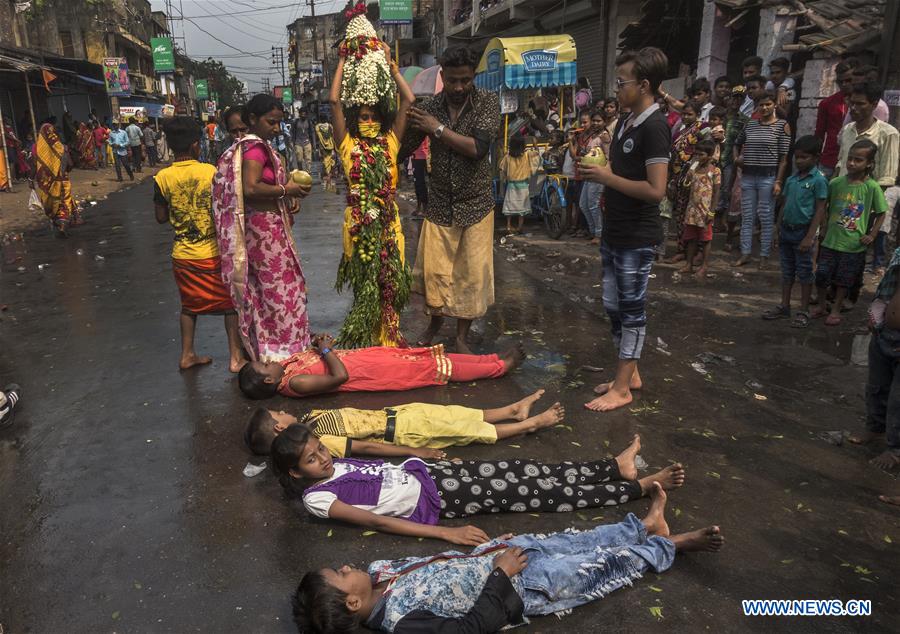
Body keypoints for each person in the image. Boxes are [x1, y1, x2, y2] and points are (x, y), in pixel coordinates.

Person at [291, 486, 722, 634]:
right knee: (600, 567)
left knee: (580, 541)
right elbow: (469, 627)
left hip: (502, 556)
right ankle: (674, 545)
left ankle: (647, 526)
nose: (347, 566)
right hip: (520, 585)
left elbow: (442, 564)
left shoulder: (382, 575)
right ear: (351, 602)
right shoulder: (401, 624)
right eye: (341, 574)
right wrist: (500, 576)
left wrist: (490, 550)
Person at [272, 423, 686, 542]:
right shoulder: (319, 498)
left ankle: (613, 466)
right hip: (440, 500)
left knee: (527, 471)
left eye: (320, 448)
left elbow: (372, 458)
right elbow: (378, 522)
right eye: (312, 458)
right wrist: (445, 533)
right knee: (537, 494)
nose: (324, 457)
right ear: (295, 473)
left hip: (433, 475)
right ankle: (637, 487)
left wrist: (423, 456)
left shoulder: (330, 464)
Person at [577, 47, 671, 412]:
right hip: (615, 230)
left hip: (637, 234)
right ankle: (629, 374)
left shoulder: (655, 126)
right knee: (613, 305)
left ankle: (622, 387)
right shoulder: (628, 122)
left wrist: (606, 177)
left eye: (622, 82)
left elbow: (655, 190)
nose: (617, 89)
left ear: (644, 84)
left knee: (632, 309)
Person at [401, 46, 500, 354]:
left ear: (473, 78)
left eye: (466, 80)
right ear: (443, 76)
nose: (459, 87)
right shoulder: (429, 106)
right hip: (440, 202)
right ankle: (433, 324)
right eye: (454, 80)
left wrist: (437, 129)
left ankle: (460, 336)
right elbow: (403, 148)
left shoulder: (487, 102)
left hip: (476, 203)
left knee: (469, 275)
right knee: (434, 272)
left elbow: (477, 148)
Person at [212, 93, 312, 361]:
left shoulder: (256, 146)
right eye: (271, 122)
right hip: (263, 232)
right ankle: (281, 352)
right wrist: (285, 189)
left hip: (267, 229)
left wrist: (285, 195)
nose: (276, 128)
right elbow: (251, 187)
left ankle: (278, 347)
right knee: (278, 291)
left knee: (274, 289)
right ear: (253, 119)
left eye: (279, 123)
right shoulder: (254, 148)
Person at [330, 40, 416, 348]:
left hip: (389, 224)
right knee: (367, 285)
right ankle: (369, 341)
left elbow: (409, 100)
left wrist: (392, 66)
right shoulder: (348, 146)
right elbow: (334, 102)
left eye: (373, 117)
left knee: (390, 282)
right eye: (363, 117)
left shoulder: (390, 143)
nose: (369, 122)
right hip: (358, 223)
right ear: (356, 120)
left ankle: (390, 338)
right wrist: (342, 61)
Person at [153, 116, 245, 373]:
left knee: (189, 306)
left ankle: (187, 354)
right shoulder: (211, 172)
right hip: (213, 252)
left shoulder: (162, 177)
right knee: (230, 305)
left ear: (171, 146)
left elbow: (161, 218)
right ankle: (236, 358)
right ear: (196, 144)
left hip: (183, 254)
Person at [244, 388, 563, 456]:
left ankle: (512, 409)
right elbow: (366, 447)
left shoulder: (310, 420)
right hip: (405, 431)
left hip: (401, 414)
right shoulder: (316, 440)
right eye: (277, 414)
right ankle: (529, 425)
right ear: (279, 428)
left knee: (456, 415)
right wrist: (419, 452)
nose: (282, 411)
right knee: (464, 431)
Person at [238, 333, 524, 400]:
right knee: (437, 368)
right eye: (264, 367)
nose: (269, 362)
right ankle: (498, 367)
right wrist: (325, 349)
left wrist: (318, 343)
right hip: (370, 373)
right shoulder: (294, 384)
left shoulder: (287, 369)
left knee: (427, 357)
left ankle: (490, 359)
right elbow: (340, 377)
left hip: (371, 361)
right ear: (267, 382)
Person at [812, 139, 888, 326]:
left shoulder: (871, 187)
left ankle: (836, 309)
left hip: (853, 246)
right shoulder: (836, 183)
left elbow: (881, 213)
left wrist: (872, 234)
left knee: (843, 280)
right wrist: (823, 227)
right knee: (822, 275)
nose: (852, 163)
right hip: (830, 241)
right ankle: (822, 306)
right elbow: (823, 207)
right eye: (850, 159)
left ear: (869, 163)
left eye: (858, 160)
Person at [762, 135, 829, 327]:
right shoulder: (791, 180)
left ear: (816, 157)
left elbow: (820, 209)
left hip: (803, 233)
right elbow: (784, 206)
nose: (799, 161)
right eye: (797, 157)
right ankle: (784, 306)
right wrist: (777, 229)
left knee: (805, 273)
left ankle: (803, 310)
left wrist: (809, 236)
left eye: (804, 157)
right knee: (787, 271)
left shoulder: (819, 181)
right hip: (786, 231)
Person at [733, 91, 791, 269]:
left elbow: (783, 159)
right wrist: (736, 159)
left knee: (765, 217)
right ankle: (746, 254)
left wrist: (778, 182)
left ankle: (764, 255)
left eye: (768, 104)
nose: (764, 108)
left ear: (774, 105)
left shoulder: (783, 126)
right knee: (747, 217)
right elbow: (736, 142)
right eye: (761, 105)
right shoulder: (750, 125)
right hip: (748, 176)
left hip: (768, 177)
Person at [664, 101, 709, 262]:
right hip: (679, 178)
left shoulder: (703, 128)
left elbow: (707, 149)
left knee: (697, 215)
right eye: (683, 114)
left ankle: (699, 251)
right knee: (681, 216)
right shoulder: (678, 132)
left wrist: (694, 168)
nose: (685, 117)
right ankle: (681, 249)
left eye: (689, 114)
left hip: (697, 178)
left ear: (697, 114)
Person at [835, 82, 899, 188]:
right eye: (852, 103)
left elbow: (887, 179)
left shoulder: (888, 134)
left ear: (874, 104)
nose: (853, 108)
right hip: (842, 195)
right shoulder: (847, 129)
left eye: (860, 104)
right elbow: (841, 164)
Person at [679, 139, 720, 277]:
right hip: (692, 209)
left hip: (705, 211)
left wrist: (712, 211)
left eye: (701, 154)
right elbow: (687, 187)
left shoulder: (715, 171)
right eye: (696, 154)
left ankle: (704, 266)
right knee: (691, 238)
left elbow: (716, 193)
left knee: (705, 239)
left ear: (709, 155)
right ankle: (689, 264)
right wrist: (688, 178)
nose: (698, 157)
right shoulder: (694, 169)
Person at [32, 123, 78, 236]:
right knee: (64, 202)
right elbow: (70, 164)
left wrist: (30, 179)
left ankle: (58, 222)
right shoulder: (61, 147)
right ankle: (63, 226)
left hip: (46, 183)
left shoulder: (37, 147)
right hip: (62, 180)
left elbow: (33, 165)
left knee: (51, 204)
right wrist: (63, 171)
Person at [815, 59, 858, 178]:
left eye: (848, 80)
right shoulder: (827, 103)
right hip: (829, 160)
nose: (844, 84)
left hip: (854, 161)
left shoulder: (864, 104)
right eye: (840, 81)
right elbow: (819, 134)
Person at [576, 108, 610, 244]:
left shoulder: (604, 136)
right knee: (583, 204)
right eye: (594, 121)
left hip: (598, 174)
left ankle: (599, 234)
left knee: (593, 204)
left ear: (604, 121)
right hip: (589, 174)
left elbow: (608, 156)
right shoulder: (593, 136)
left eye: (598, 121)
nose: (596, 123)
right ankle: (593, 231)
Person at [718, 86, 748, 237]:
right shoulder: (719, 115)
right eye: (733, 97)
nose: (736, 101)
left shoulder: (744, 120)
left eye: (740, 98)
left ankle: (722, 220)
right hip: (715, 158)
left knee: (727, 191)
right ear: (727, 99)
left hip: (730, 160)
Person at [500, 135, 539, 235]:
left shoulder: (507, 157)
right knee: (522, 208)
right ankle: (519, 227)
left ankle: (508, 226)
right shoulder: (527, 155)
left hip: (511, 185)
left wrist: (503, 180)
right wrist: (535, 144)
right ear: (523, 145)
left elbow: (502, 169)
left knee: (509, 206)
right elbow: (537, 156)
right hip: (523, 185)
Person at [314, 119, 338, 193]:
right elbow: (333, 135)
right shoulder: (330, 126)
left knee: (325, 159)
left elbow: (316, 136)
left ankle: (328, 174)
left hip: (323, 146)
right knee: (331, 159)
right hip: (331, 145)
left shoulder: (318, 127)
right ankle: (330, 174)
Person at [410, 135, 429, 216]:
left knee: (421, 183)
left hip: (422, 157)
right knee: (417, 183)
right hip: (416, 156)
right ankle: (419, 207)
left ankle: (424, 208)